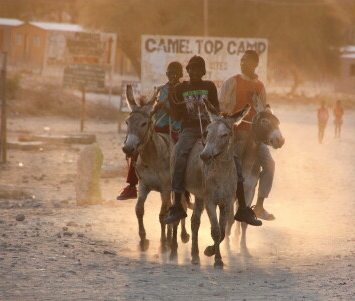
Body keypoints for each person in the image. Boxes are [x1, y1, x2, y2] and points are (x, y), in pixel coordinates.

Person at [164, 55, 261, 226]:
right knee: (179, 153)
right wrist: (172, 98)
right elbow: (177, 115)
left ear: (203, 72)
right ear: (187, 71)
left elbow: (216, 108)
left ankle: (243, 208)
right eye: (191, 69)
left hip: (210, 127)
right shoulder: (180, 88)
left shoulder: (208, 86)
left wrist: (208, 110)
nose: (194, 72)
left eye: (197, 69)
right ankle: (177, 204)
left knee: (234, 158)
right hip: (190, 129)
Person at [219, 50, 275, 221]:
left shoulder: (260, 86)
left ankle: (259, 205)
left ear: (255, 64)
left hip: (255, 137)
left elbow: (262, 112)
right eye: (242, 61)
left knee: (270, 164)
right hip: (236, 134)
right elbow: (222, 106)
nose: (243, 64)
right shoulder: (232, 81)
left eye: (247, 61)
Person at [117, 61, 183, 200]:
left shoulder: (183, 89)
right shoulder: (159, 89)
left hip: (176, 127)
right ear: (167, 74)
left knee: (181, 153)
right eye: (170, 73)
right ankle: (131, 186)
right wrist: (157, 108)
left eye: (176, 74)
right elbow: (151, 108)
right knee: (138, 147)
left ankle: (182, 187)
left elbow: (181, 112)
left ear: (181, 75)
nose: (173, 76)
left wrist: (168, 108)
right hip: (158, 126)